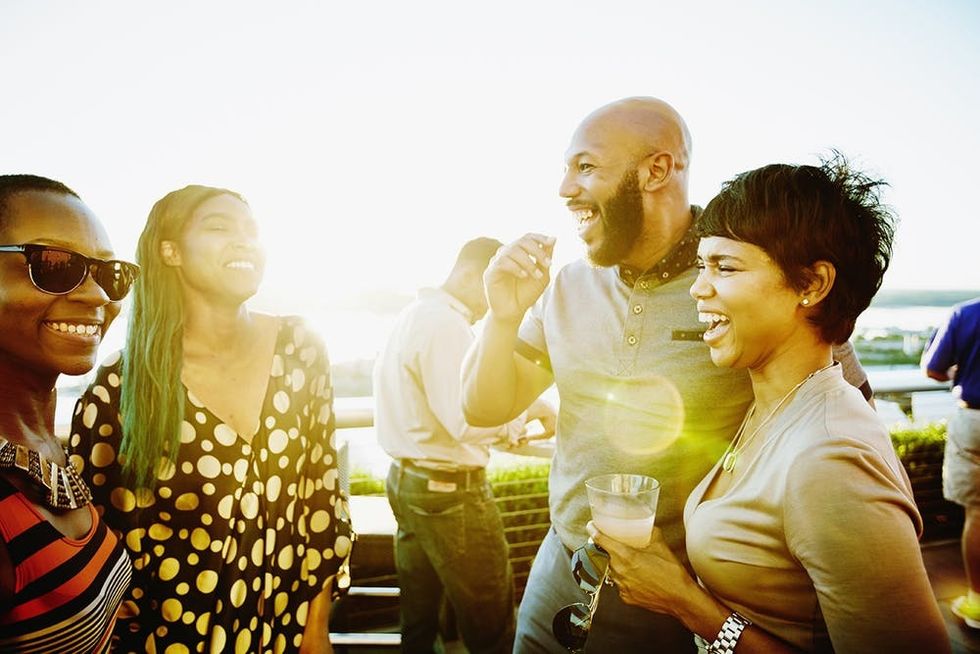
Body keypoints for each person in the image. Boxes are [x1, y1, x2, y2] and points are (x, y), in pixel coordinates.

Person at [460, 98, 871, 653]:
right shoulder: (565, 287)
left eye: (585, 166)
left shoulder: (745, 284)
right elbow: (484, 408)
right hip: (561, 572)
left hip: (683, 598)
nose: (564, 188)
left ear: (657, 170)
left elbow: (842, 412)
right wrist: (502, 318)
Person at [590, 156, 949, 653]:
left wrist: (684, 602)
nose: (698, 287)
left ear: (811, 285)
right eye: (700, 265)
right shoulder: (772, 409)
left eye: (726, 267)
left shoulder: (830, 457)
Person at [70, 185, 353, 654]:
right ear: (171, 251)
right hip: (168, 639)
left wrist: (315, 630)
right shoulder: (121, 387)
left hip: (283, 631)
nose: (245, 241)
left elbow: (320, 497)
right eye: (220, 227)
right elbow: (91, 533)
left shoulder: (300, 348)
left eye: (252, 230)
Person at [374, 237, 557, 654]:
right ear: (470, 274)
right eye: (492, 283)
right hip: (450, 494)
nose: (494, 299)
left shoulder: (415, 314)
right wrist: (527, 412)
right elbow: (467, 421)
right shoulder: (446, 326)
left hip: (407, 485)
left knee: (418, 623)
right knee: (491, 625)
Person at [0, 174, 134, 652]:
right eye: (54, 265)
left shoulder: (36, 441)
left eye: (110, 274)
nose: (100, 296)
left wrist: (97, 604)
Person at [922, 295, 980, 629]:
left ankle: (977, 604)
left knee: (978, 513)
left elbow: (933, 368)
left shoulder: (965, 314)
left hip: (975, 419)